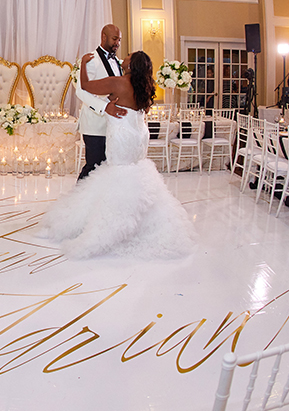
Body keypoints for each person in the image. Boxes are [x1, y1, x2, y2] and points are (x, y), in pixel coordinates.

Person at [39, 51, 197, 260]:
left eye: (129, 55)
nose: (125, 55)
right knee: (134, 172)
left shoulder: (118, 83)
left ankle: (109, 225)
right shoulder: (146, 85)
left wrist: (84, 66)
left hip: (122, 136)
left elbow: (85, 87)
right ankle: (140, 224)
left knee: (117, 174)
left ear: (131, 65)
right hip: (139, 136)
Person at [75, 24, 127, 181]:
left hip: (113, 125)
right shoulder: (91, 60)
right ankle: (78, 201)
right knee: (93, 167)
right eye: (114, 39)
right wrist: (104, 107)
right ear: (103, 37)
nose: (117, 43)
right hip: (94, 124)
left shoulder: (117, 61)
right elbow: (80, 91)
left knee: (107, 168)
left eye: (119, 39)